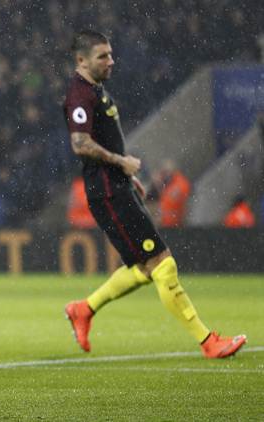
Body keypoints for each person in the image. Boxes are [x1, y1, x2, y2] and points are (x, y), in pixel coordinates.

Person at [62, 30, 246, 359]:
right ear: (81, 60)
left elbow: (101, 140)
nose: (111, 61)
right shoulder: (79, 95)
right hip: (106, 192)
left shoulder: (95, 91)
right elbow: (80, 143)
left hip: (116, 187)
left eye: (111, 54)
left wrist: (126, 177)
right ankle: (208, 342)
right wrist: (122, 163)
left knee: (145, 268)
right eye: (103, 56)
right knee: (163, 263)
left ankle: (84, 309)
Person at [153, 159, 191, 228]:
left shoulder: (180, 184)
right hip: (165, 224)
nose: (164, 175)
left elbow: (175, 203)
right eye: (163, 172)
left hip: (175, 225)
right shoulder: (167, 184)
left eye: (166, 172)